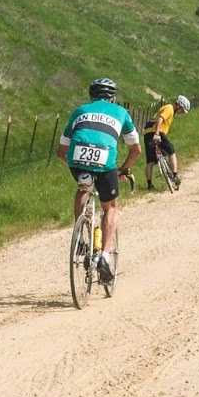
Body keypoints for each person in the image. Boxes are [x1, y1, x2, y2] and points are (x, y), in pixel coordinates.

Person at [58, 78, 142, 283]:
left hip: (77, 159)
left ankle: (80, 235)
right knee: (111, 207)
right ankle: (104, 256)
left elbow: (61, 152)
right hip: (105, 161)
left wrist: (77, 166)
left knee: (83, 189)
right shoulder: (121, 112)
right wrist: (123, 169)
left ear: (91, 96)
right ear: (113, 98)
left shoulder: (80, 110)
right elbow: (136, 149)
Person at [144, 94, 190, 189]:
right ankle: (175, 175)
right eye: (182, 110)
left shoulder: (170, 109)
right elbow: (160, 119)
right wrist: (157, 134)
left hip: (147, 134)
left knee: (151, 161)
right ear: (179, 105)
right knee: (171, 150)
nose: (181, 112)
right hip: (156, 132)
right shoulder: (169, 108)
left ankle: (149, 185)